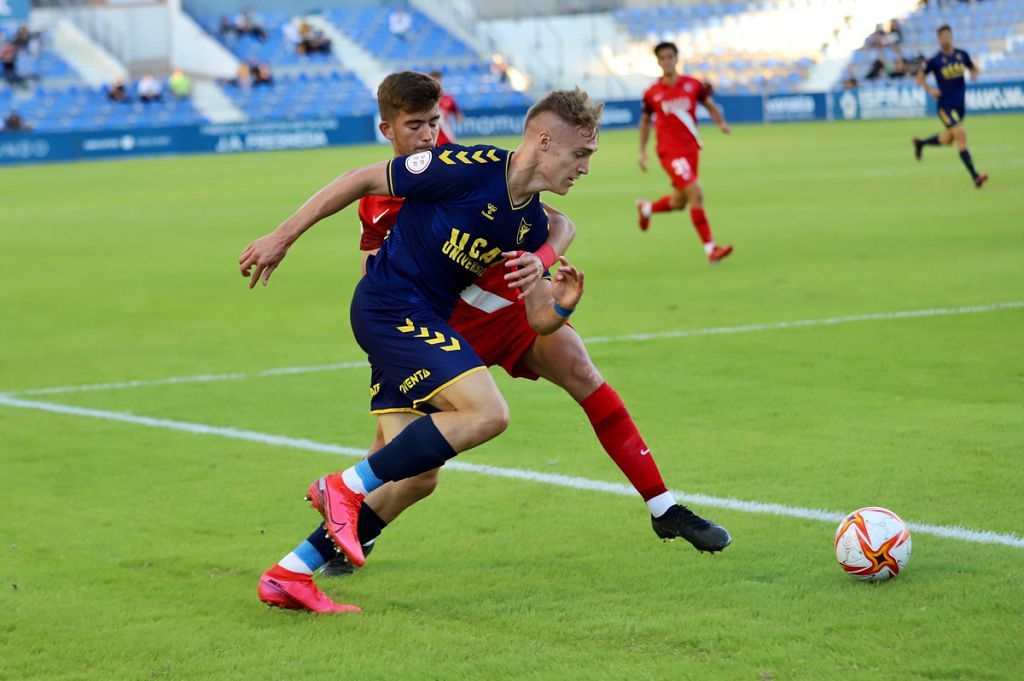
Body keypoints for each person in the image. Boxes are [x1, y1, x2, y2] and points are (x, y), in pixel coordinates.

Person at [307, 74, 733, 581]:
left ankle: (664, 507)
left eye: (433, 124)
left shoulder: (460, 166)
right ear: (388, 130)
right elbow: (374, 271)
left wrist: (544, 263)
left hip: (509, 307)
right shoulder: (382, 197)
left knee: (582, 371)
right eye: (415, 126)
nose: (428, 136)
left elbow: (559, 222)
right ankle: (330, 542)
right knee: (412, 471)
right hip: (444, 326)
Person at [241, 73, 600, 612]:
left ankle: (290, 573)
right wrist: (281, 237)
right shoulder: (467, 166)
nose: (586, 168)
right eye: (581, 153)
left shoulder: (528, 224)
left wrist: (564, 303)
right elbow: (360, 179)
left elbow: (540, 322)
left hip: (418, 319)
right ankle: (343, 485)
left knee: (416, 476)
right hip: (391, 309)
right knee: (488, 413)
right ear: (545, 142)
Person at [636, 41, 733, 265]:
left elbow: (709, 104)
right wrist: (642, 151)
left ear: (676, 58)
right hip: (669, 152)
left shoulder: (692, 85)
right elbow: (644, 122)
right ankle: (711, 249)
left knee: (680, 202)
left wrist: (721, 123)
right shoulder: (652, 93)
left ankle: (647, 207)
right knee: (695, 193)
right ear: (658, 61)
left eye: (670, 56)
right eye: (662, 57)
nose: (667, 60)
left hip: (691, 151)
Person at [912, 25, 988, 188]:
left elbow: (973, 68)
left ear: (951, 37)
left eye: (947, 36)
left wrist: (974, 74)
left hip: (959, 104)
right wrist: (930, 89)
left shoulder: (962, 55)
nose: (945, 39)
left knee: (948, 139)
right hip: (944, 105)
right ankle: (975, 177)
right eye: (942, 37)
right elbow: (919, 77)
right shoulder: (935, 60)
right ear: (939, 40)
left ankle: (921, 143)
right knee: (961, 134)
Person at [430, 70, 464, 145]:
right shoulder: (425, 100)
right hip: (431, 139)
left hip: (446, 137)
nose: (437, 83)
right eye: (435, 81)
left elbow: (458, 116)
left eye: (439, 80)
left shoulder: (448, 99)